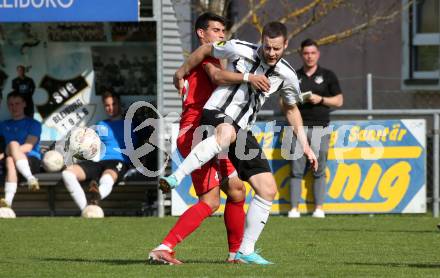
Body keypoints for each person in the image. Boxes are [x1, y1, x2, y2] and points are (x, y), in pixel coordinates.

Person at [161, 21, 318, 265]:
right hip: (216, 112)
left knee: (266, 189)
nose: (272, 53)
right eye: (267, 47)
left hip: (242, 127)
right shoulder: (238, 48)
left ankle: (245, 250)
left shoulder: (287, 74)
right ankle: (175, 177)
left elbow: (290, 107)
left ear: (286, 45)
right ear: (261, 41)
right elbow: (206, 51)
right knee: (226, 134)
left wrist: (305, 145)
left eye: (277, 49)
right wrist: (181, 71)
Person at [148, 12, 271, 265]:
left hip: (210, 130)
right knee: (211, 201)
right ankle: (164, 247)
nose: (221, 35)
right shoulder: (207, 57)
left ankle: (236, 254)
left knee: (237, 191)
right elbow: (216, 77)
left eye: (223, 31)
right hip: (197, 133)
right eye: (216, 30)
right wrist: (249, 78)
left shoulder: (200, 59)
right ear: (201, 34)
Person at [287, 38, 343, 219]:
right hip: (298, 129)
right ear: (301, 54)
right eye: (306, 53)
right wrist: (295, 100)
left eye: (312, 53)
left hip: (321, 128)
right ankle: (294, 209)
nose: (309, 56)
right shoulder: (293, 76)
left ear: (318, 54)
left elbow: (339, 101)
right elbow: (283, 102)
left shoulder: (328, 75)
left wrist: (321, 99)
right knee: (296, 170)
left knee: (319, 170)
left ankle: (319, 208)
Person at [61, 90, 134, 212]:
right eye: (107, 105)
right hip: (99, 162)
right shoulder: (101, 124)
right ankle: (87, 208)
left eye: (114, 104)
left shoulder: (130, 124)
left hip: (119, 161)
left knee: (107, 177)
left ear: (119, 104)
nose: (111, 108)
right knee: (67, 174)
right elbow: (87, 142)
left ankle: (96, 195)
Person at [0, 91, 41, 209]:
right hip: (10, 158)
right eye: (11, 104)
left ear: (24, 104)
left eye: (17, 103)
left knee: (11, 156)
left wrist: (4, 155)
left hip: (31, 160)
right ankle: (31, 180)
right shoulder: (3, 125)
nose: (14, 107)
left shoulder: (34, 124)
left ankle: (8, 201)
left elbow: (28, 147)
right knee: (10, 156)